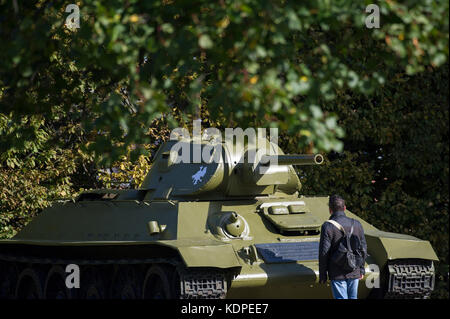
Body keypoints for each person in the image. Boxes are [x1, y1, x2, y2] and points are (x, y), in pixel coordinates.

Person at [319, 195, 367, 299]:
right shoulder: (357, 224)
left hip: (337, 272)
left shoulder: (327, 226)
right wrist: (361, 269)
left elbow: (324, 252)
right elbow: (363, 248)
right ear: (344, 208)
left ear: (330, 210)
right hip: (354, 269)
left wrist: (323, 274)